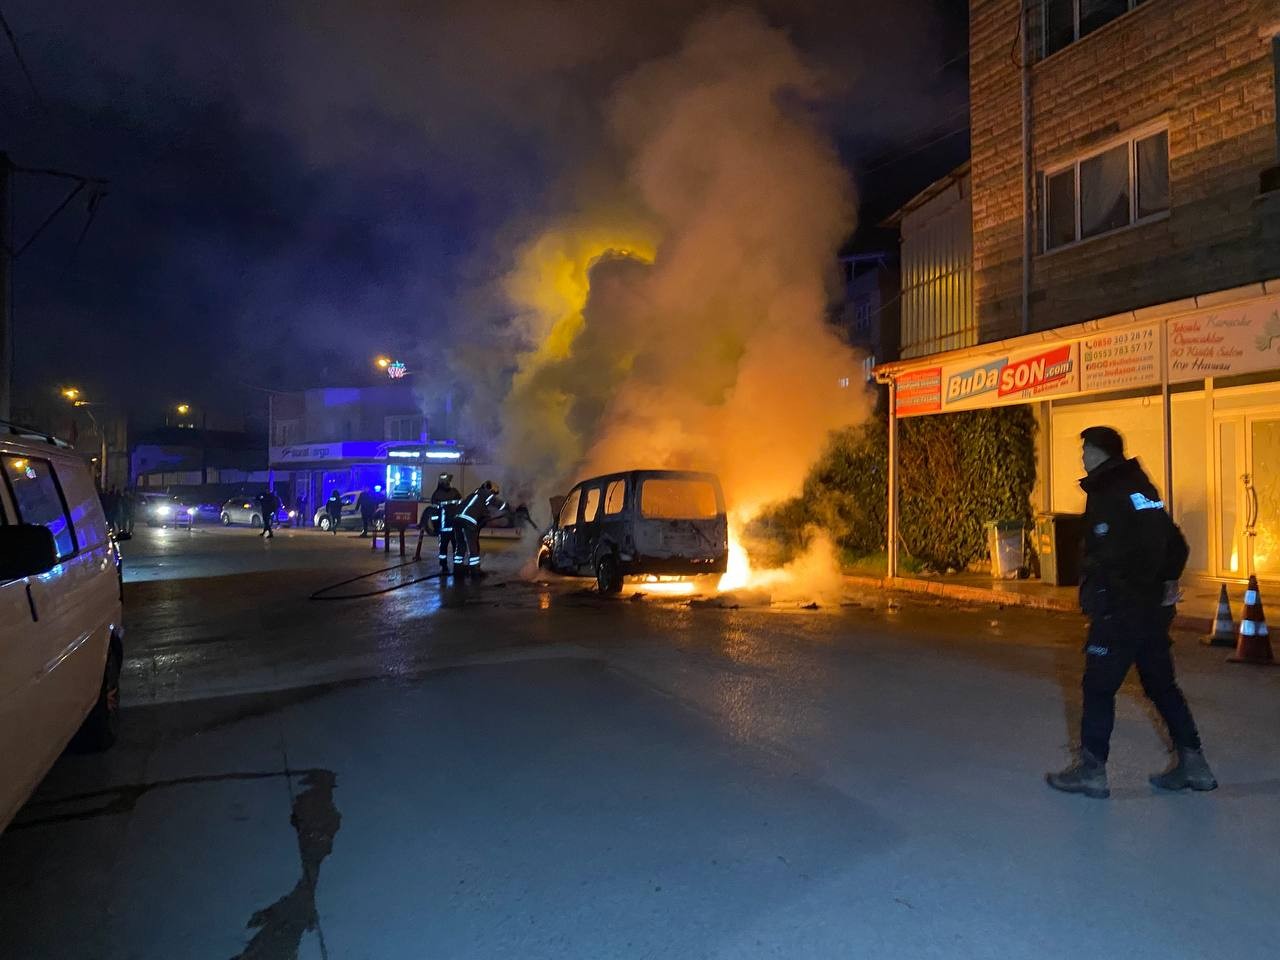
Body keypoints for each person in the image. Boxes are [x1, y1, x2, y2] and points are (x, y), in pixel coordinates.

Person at [1046, 426, 1216, 799]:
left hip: (1120, 612)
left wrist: (1108, 597)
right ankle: (1194, 763)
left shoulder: (1108, 492)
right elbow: (1177, 544)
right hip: (1151, 612)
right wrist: (1166, 582)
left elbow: (1110, 557)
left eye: (1086, 449)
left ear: (1099, 452)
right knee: (1160, 684)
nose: (1082, 457)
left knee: (1098, 686)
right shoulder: (1143, 488)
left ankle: (1092, 771)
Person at [454, 480, 511, 579]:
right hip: (468, 520)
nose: (493, 495)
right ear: (490, 489)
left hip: (457, 519)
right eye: (493, 493)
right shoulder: (486, 494)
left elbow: (482, 513)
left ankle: (458, 569)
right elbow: (499, 505)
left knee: (461, 544)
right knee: (473, 546)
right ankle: (475, 571)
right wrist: (511, 508)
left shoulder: (475, 495)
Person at [429, 472, 463, 573]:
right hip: (453, 527)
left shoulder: (436, 495)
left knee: (444, 549)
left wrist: (435, 527)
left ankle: (445, 567)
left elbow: (434, 514)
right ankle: (456, 566)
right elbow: (461, 507)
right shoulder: (455, 492)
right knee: (455, 548)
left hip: (445, 528)